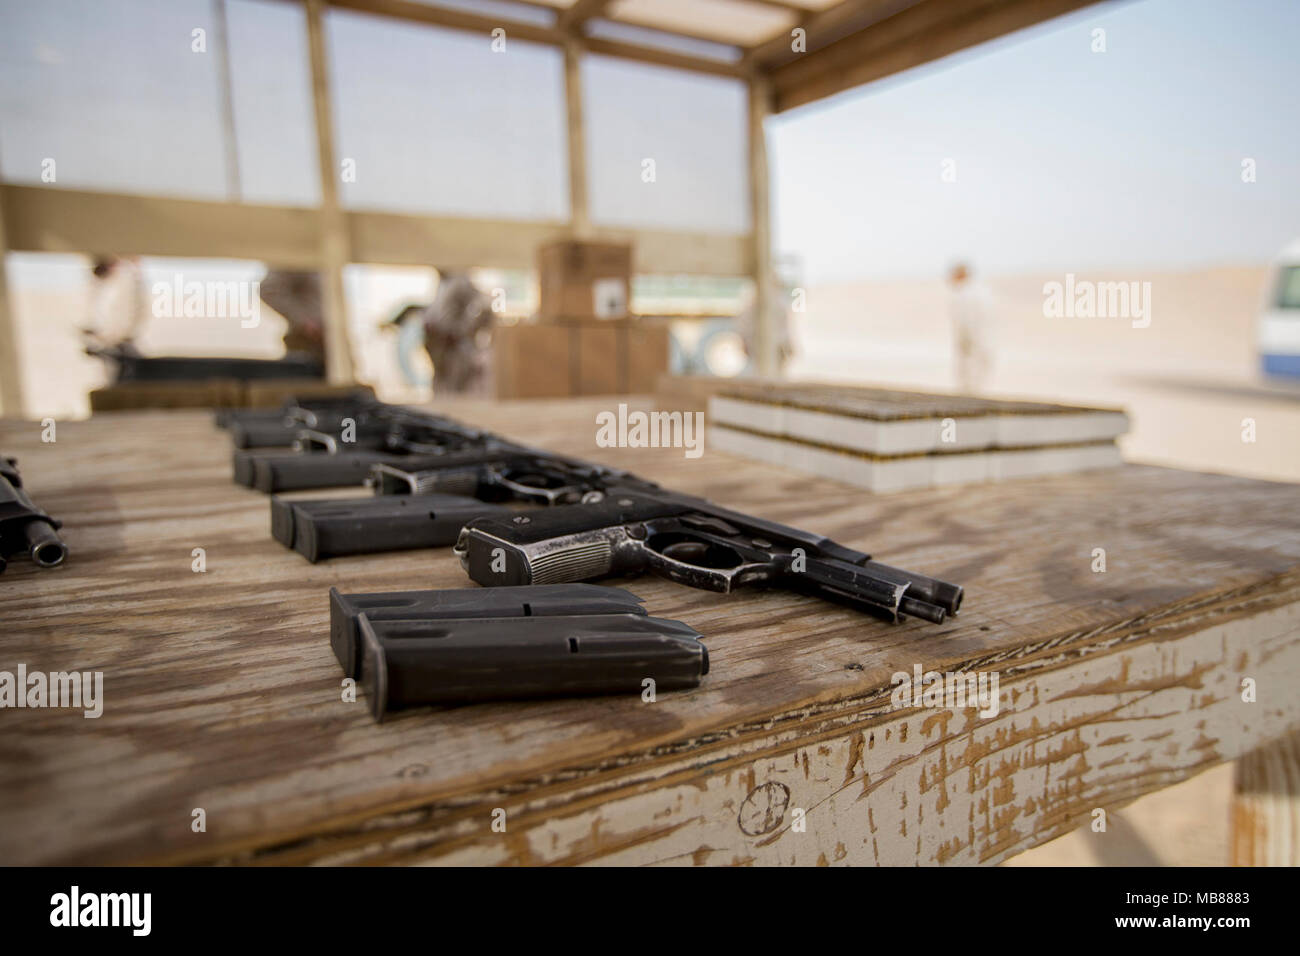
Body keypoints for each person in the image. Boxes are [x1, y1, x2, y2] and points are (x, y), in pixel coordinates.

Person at [421, 269, 493, 395]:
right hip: (437, 341)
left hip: (454, 343)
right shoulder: (442, 283)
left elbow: (482, 306)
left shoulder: (460, 282)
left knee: (457, 383)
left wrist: (461, 330)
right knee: (441, 380)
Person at [258, 269, 327, 365]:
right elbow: (268, 289)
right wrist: (303, 321)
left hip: (329, 346)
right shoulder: (303, 260)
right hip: (308, 344)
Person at [83, 255, 148, 354]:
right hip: (114, 341)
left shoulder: (125, 279)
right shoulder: (114, 283)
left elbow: (130, 315)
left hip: (117, 343)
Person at [948, 262, 995, 394]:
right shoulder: (981, 291)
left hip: (974, 338)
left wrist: (966, 339)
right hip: (981, 338)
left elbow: (966, 320)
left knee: (971, 370)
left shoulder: (964, 293)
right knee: (976, 370)